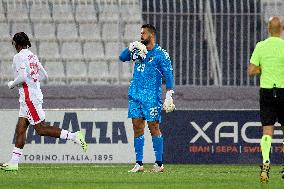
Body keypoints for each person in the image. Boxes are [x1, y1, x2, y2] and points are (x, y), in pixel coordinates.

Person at [1, 32, 88, 171]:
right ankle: (13, 162)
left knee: (41, 129)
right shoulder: (32, 56)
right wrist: (33, 81)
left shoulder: (18, 57)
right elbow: (44, 75)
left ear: (16, 44)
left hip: (29, 98)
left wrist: (12, 84)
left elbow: (22, 76)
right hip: (29, 97)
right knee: (20, 129)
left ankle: (74, 136)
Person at [119, 24, 175, 172]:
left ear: (151, 35)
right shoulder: (138, 50)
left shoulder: (161, 54)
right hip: (135, 94)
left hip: (151, 96)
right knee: (137, 127)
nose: (141, 36)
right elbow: (122, 57)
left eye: (143, 33)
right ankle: (139, 163)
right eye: (140, 33)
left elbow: (168, 74)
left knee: (153, 127)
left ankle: (159, 163)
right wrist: (130, 47)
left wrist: (169, 94)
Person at [248, 16, 284, 183]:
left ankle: (266, 162)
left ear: (269, 29)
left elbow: (252, 70)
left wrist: (265, 67)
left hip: (267, 92)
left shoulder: (261, 46)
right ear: (281, 29)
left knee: (267, 131)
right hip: (283, 91)